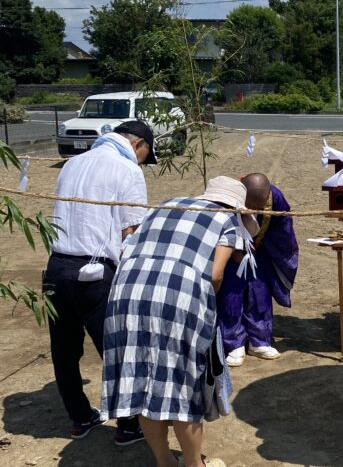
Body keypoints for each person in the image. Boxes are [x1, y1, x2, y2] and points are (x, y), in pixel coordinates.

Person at [100, 176, 248, 467]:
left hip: (127, 297)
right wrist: (205, 305)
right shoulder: (228, 222)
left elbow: (131, 242)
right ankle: (194, 464)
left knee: (141, 383)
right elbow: (215, 275)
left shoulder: (166, 205)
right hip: (176, 302)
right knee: (180, 387)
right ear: (235, 206)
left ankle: (164, 461)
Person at [43, 120, 157, 445]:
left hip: (57, 268)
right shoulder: (127, 169)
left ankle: (80, 418)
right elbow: (130, 234)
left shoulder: (72, 163)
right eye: (146, 155)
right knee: (116, 349)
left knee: (64, 351)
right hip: (95, 273)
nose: (143, 163)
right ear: (138, 145)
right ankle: (128, 425)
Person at [217, 173, 298, 364]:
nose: (254, 210)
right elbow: (218, 224)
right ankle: (233, 343)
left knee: (260, 290)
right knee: (231, 292)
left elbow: (283, 227)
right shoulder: (227, 195)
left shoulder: (275, 198)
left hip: (260, 248)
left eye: (258, 207)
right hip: (228, 248)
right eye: (250, 206)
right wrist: (236, 250)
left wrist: (263, 245)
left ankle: (259, 339)